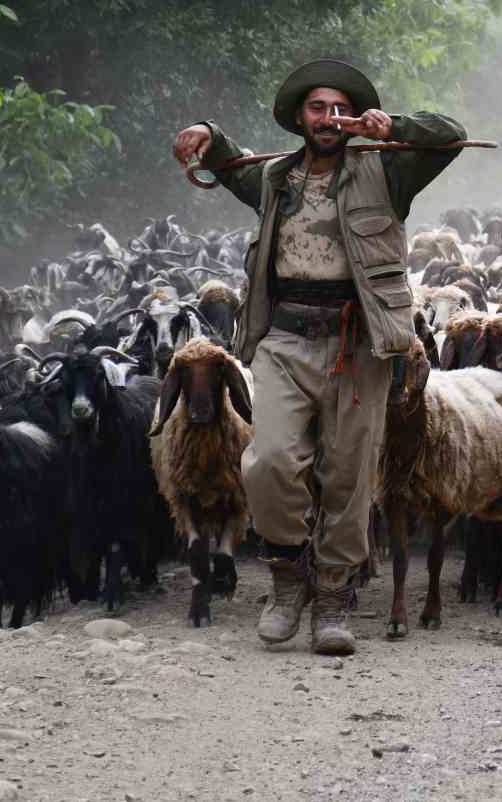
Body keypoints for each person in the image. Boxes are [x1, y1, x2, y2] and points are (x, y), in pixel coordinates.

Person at [170, 59, 466, 655]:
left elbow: (451, 135)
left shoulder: (388, 172)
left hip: (358, 342)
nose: (329, 119)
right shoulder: (275, 177)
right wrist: (205, 130)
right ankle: (287, 579)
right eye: (317, 109)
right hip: (283, 339)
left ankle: (332, 598)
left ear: (353, 116)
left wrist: (393, 128)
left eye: (338, 109)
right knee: (270, 460)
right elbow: (226, 163)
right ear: (300, 119)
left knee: (349, 474)